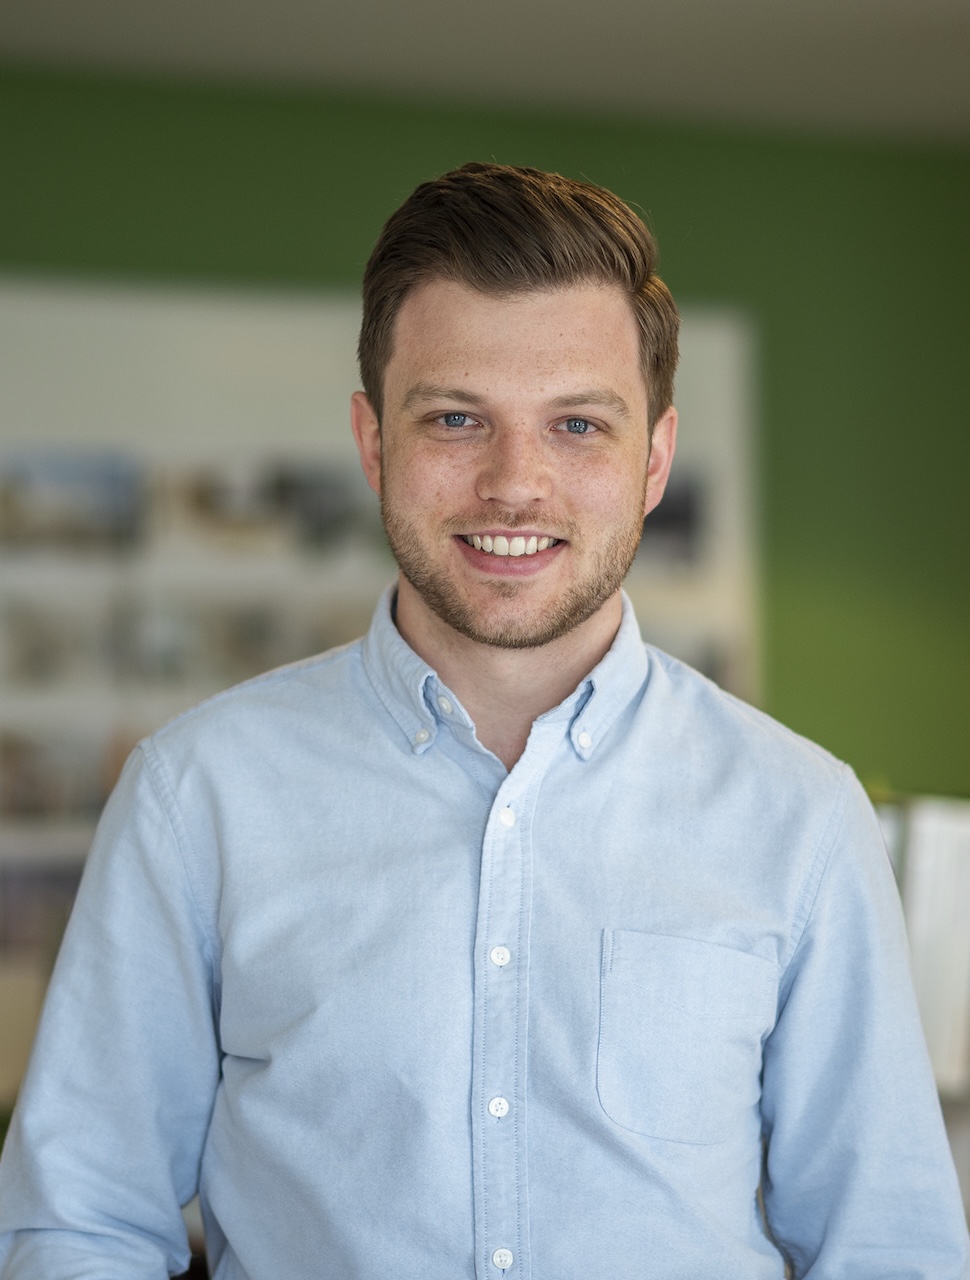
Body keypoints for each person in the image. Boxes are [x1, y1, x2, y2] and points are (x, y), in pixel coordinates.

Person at [0, 162, 967, 1280]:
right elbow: (79, 1221)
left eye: (576, 424)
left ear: (653, 457)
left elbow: (885, 1247)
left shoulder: (800, 815)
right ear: (373, 443)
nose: (514, 484)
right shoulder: (196, 793)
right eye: (456, 417)